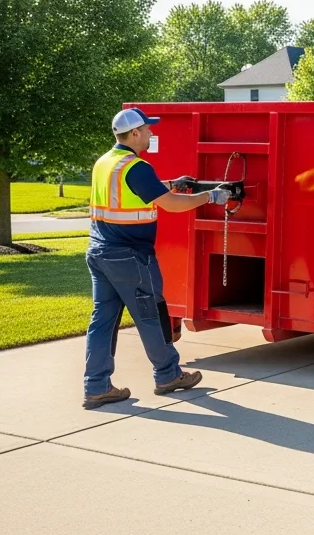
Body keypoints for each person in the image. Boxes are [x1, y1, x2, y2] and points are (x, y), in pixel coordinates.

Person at [83, 108, 230, 409]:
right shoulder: (136, 166)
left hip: (100, 252)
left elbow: (133, 192)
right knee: (151, 315)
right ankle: (168, 375)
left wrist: (171, 183)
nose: (152, 133)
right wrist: (211, 196)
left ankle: (96, 387)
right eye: (148, 129)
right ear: (135, 133)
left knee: (103, 321)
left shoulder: (106, 162)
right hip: (130, 256)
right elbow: (173, 206)